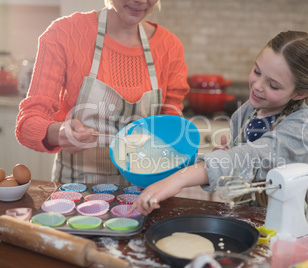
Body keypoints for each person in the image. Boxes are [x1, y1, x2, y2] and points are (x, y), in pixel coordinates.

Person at [129, 30, 308, 215]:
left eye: (273, 85)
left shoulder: (300, 128)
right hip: (245, 213)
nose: (257, 86)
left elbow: (251, 157)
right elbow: (238, 163)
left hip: (284, 222)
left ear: (300, 93)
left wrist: (180, 179)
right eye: (257, 72)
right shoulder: (247, 111)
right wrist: (224, 157)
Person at [15, 0, 189, 184]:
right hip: (77, 192)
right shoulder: (64, 33)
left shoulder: (169, 47)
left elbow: (171, 122)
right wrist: (59, 132)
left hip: (144, 191)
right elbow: (27, 124)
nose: (141, 1)